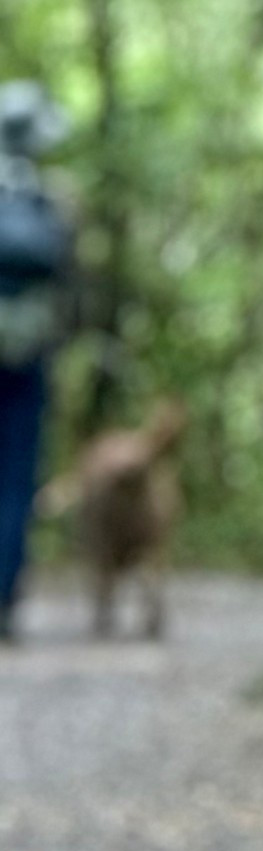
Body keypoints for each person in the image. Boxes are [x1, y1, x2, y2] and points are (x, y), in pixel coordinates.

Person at [0, 81, 71, 641]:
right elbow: (70, 280)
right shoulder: (51, 200)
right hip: (27, 359)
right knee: (16, 477)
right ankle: (4, 597)